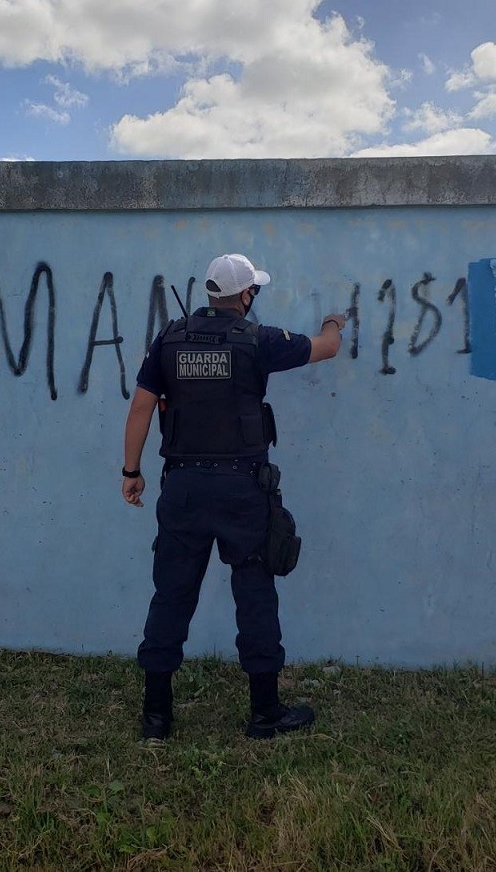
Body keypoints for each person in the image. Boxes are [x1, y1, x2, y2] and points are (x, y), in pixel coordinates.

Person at [121, 253, 346, 741]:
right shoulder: (258, 340)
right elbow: (327, 348)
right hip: (242, 488)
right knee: (255, 593)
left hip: (183, 488)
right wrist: (334, 321)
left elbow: (141, 407)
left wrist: (131, 471)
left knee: (171, 595)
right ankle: (265, 712)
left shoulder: (169, 338)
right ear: (246, 295)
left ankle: (156, 716)